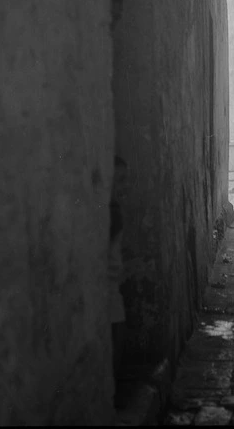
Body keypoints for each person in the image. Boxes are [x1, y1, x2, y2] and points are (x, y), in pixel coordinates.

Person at [109, 156, 128, 400]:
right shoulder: (113, 214)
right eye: (120, 180)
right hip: (107, 287)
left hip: (111, 285)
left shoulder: (112, 211)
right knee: (116, 339)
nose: (125, 186)